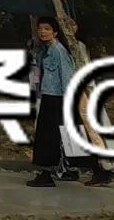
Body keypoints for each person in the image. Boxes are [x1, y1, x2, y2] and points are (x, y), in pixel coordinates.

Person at [29, 15, 91, 186]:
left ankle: (46, 174)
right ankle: (95, 169)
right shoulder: (45, 50)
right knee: (68, 136)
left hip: (59, 98)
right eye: (40, 28)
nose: (43, 31)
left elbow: (67, 76)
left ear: (55, 32)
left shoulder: (58, 51)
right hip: (50, 96)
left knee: (48, 137)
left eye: (47, 29)